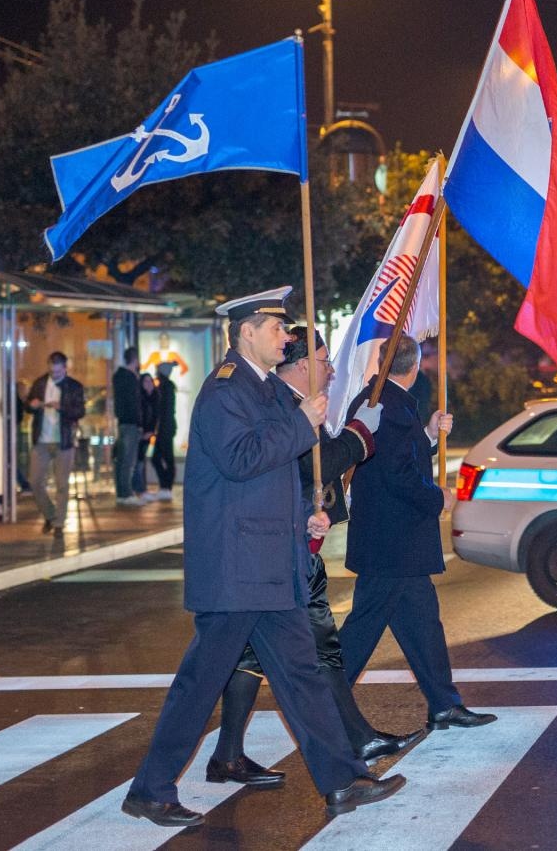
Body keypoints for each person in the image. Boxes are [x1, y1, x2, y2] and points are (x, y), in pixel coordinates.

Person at [121, 288, 403, 828]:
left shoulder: (268, 390)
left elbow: (275, 475)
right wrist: (301, 422)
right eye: (277, 328)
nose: (286, 337)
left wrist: (306, 515)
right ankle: (150, 790)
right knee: (201, 683)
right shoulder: (225, 391)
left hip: (270, 564)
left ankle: (342, 781)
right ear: (246, 331)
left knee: (302, 675)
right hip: (236, 569)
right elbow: (240, 459)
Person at [207, 326, 424, 786]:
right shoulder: (285, 405)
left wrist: (312, 510)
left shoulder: (293, 403)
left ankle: (228, 755)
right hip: (280, 555)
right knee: (312, 654)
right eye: (325, 362)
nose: (331, 371)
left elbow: (304, 472)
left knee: (250, 655)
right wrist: (361, 433)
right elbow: (314, 462)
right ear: (304, 365)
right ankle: (347, 757)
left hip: (289, 545)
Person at [338, 333, 495, 732]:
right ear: (415, 365)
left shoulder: (381, 401)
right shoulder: (387, 404)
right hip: (392, 544)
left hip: (394, 543)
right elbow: (398, 473)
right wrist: (437, 498)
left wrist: (427, 433)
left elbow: (394, 455)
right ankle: (323, 702)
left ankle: (444, 704)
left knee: (423, 625)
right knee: (361, 631)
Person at [24, 352, 85, 531]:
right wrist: (32, 405)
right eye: (52, 371)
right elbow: (28, 405)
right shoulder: (40, 383)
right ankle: (50, 514)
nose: (54, 375)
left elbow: (80, 411)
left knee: (62, 484)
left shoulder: (74, 386)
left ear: (65, 369)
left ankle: (59, 523)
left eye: (58, 372)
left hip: (63, 440)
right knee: (35, 481)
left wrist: (62, 407)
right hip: (41, 440)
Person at [112, 347, 143, 506]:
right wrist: (139, 422)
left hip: (122, 422)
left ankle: (121, 493)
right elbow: (134, 403)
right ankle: (126, 494)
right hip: (130, 423)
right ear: (135, 359)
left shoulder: (118, 376)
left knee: (122, 460)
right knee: (128, 460)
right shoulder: (130, 378)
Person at [149, 362, 178, 494]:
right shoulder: (166, 386)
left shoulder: (165, 387)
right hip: (166, 427)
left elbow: (164, 410)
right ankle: (165, 486)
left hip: (165, 428)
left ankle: (166, 486)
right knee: (163, 457)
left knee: (161, 458)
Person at [134, 372, 158, 497]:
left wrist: (151, 431)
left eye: (150, 381)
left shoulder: (155, 397)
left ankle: (142, 489)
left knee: (141, 461)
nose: (148, 384)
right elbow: (140, 416)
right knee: (138, 462)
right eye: (145, 381)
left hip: (148, 434)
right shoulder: (140, 398)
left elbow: (155, 417)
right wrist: (143, 431)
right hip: (140, 433)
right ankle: (140, 489)